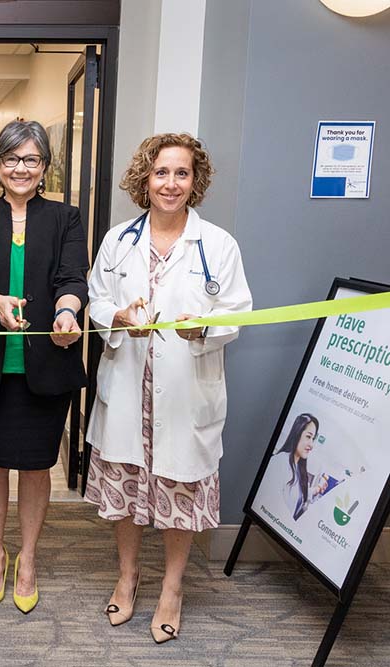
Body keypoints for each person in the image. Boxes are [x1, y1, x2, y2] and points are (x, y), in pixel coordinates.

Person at [85, 133, 252, 643]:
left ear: (195, 181)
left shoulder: (218, 245)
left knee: (178, 492)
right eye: (161, 173)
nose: (171, 183)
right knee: (128, 491)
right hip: (128, 390)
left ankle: (172, 588)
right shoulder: (118, 240)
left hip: (184, 395)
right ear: (145, 179)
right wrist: (116, 316)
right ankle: (128, 574)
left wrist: (202, 328)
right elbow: (95, 300)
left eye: (182, 174)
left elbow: (238, 312)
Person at [0, 120, 89, 614]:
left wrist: (67, 311)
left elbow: (74, 278)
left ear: (45, 166)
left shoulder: (66, 219)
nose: (21, 168)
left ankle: (27, 559)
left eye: (31, 159)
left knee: (35, 466)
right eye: (11, 159)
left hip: (48, 364)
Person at [274, 413, 332, 520]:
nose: (311, 445)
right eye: (308, 437)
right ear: (297, 433)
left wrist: (318, 488)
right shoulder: (279, 461)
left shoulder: (299, 470)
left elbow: (299, 494)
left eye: (313, 439)